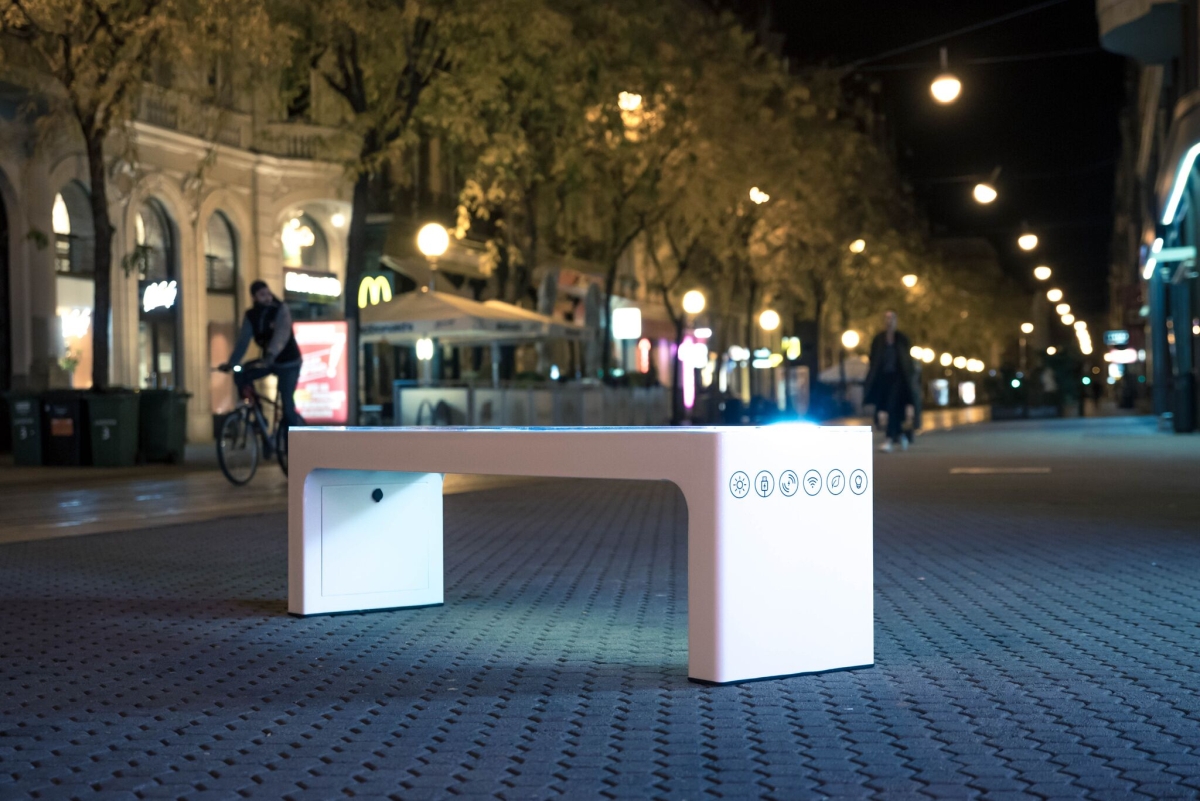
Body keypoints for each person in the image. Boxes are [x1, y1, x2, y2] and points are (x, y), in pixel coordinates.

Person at [219, 281, 306, 443]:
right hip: (269, 361)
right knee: (243, 374)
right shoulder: (251, 316)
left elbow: (281, 334)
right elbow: (243, 341)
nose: (267, 297)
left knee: (287, 405)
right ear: (254, 298)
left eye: (268, 293)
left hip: (289, 363)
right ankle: (259, 417)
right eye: (262, 295)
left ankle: (293, 445)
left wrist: (271, 353)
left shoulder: (280, 309)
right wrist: (231, 362)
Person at [863, 310, 915, 453]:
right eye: (886, 318)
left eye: (891, 318)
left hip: (899, 379)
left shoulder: (902, 339)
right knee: (887, 409)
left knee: (893, 406)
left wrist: (910, 377)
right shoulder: (878, 339)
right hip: (883, 378)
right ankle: (900, 435)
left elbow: (907, 360)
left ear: (896, 321)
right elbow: (873, 359)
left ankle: (889, 438)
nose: (889, 321)